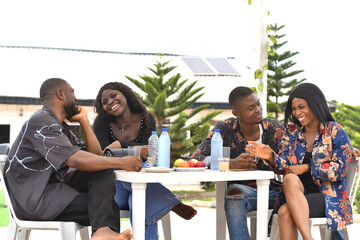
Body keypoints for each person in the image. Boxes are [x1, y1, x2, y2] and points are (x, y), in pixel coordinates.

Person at [4, 78, 140, 240]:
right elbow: (74, 160)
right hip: (36, 201)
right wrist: (122, 162)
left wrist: (84, 121)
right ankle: (102, 231)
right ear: (60, 94)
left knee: (105, 190)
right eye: (72, 92)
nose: (75, 98)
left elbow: (96, 157)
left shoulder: (60, 127)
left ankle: (102, 232)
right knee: (107, 208)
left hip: (51, 195)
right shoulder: (41, 121)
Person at [246, 83, 353, 240]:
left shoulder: (334, 130)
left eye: (301, 107)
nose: (297, 113)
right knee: (289, 178)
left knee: (284, 212)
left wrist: (307, 167)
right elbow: (285, 168)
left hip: (326, 195)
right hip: (296, 192)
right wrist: (270, 156)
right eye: (294, 109)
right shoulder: (292, 133)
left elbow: (340, 170)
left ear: (315, 104)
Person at [93, 82, 197, 240]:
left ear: (125, 94)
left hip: (140, 184)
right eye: (104, 102)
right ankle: (172, 202)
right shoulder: (102, 123)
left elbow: (149, 151)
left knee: (139, 200)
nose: (110, 102)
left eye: (114, 95)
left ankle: (167, 201)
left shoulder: (145, 117)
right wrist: (134, 150)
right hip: (114, 189)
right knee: (140, 190)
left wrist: (120, 146)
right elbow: (103, 155)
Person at [191, 86, 284, 240]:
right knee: (234, 195)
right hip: (243, 192)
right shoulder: (225, 129)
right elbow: (197, 159)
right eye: (251, 108)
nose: (258, 110)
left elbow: (293, 162)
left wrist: (271, 158)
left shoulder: (275, 129)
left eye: (258, 104)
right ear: (236, 113)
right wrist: (228, 163)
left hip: (276, 192)